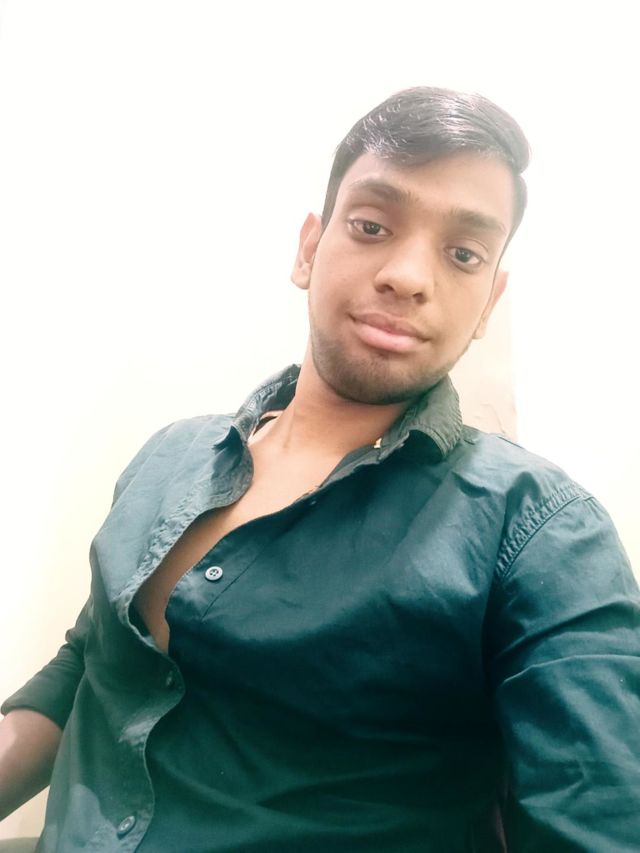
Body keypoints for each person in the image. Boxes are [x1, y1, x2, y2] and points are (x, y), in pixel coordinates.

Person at [1, 86, 639, 853]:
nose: (408, 275)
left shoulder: (541, 530)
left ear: (487, 302)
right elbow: (91, 667)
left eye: (463, 253)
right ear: (309, 248)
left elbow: (597, 817)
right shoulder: (165, 457)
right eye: (372, 226)